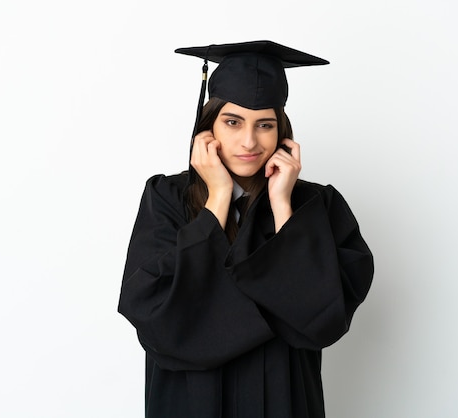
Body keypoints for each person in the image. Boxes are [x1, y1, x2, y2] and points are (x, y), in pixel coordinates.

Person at [118, 40, 374, 418]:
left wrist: (283, 205)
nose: (249, 141)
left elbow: (323, 317)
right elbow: (153, 311)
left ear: (282, 132)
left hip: (284, 399)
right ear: (209, 128)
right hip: (191, 402)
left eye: (265, 125)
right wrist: (218, 199)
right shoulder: (167, 197)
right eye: (233, 122)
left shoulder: (316, 204)